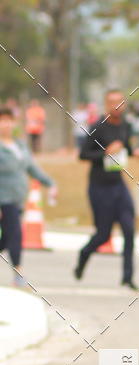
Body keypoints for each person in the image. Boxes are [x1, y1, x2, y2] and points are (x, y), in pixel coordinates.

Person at [75, 88, 139, 290]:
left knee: (129, 230)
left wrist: (134, 152)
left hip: (118, 185)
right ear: (106, 105)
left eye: (120, 102)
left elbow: (125, 147)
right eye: (112, 102)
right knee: (103, 235)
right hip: (100, 187)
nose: (117, 106)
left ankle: (127, 277)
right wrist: (105, 152)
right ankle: (84, 254)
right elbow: (83, 155)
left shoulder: (125, 125)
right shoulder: (98, 127)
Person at [0, 106, 56, 288]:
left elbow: (32, 168)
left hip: (17, 199)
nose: (6, 124)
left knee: (6, 238)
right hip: (3, 199)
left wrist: (50, 183)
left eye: (9, 120)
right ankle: (18, 273)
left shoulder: (20, 145)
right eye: (2, 121)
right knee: (16, 234)